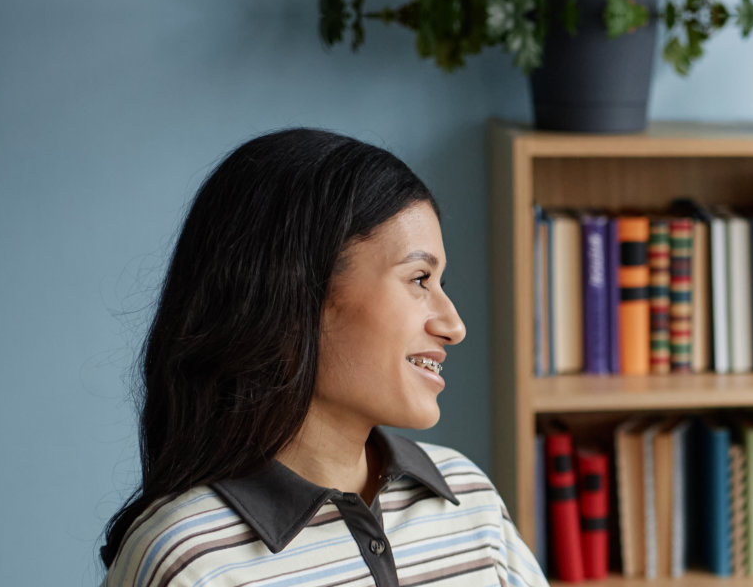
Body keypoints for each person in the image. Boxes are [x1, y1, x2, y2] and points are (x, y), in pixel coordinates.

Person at [99, 129, 544, 586]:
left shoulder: (469, 501)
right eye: (418, 279)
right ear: (295, 294)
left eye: (440, 283)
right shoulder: (188, 561)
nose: (453, 325)